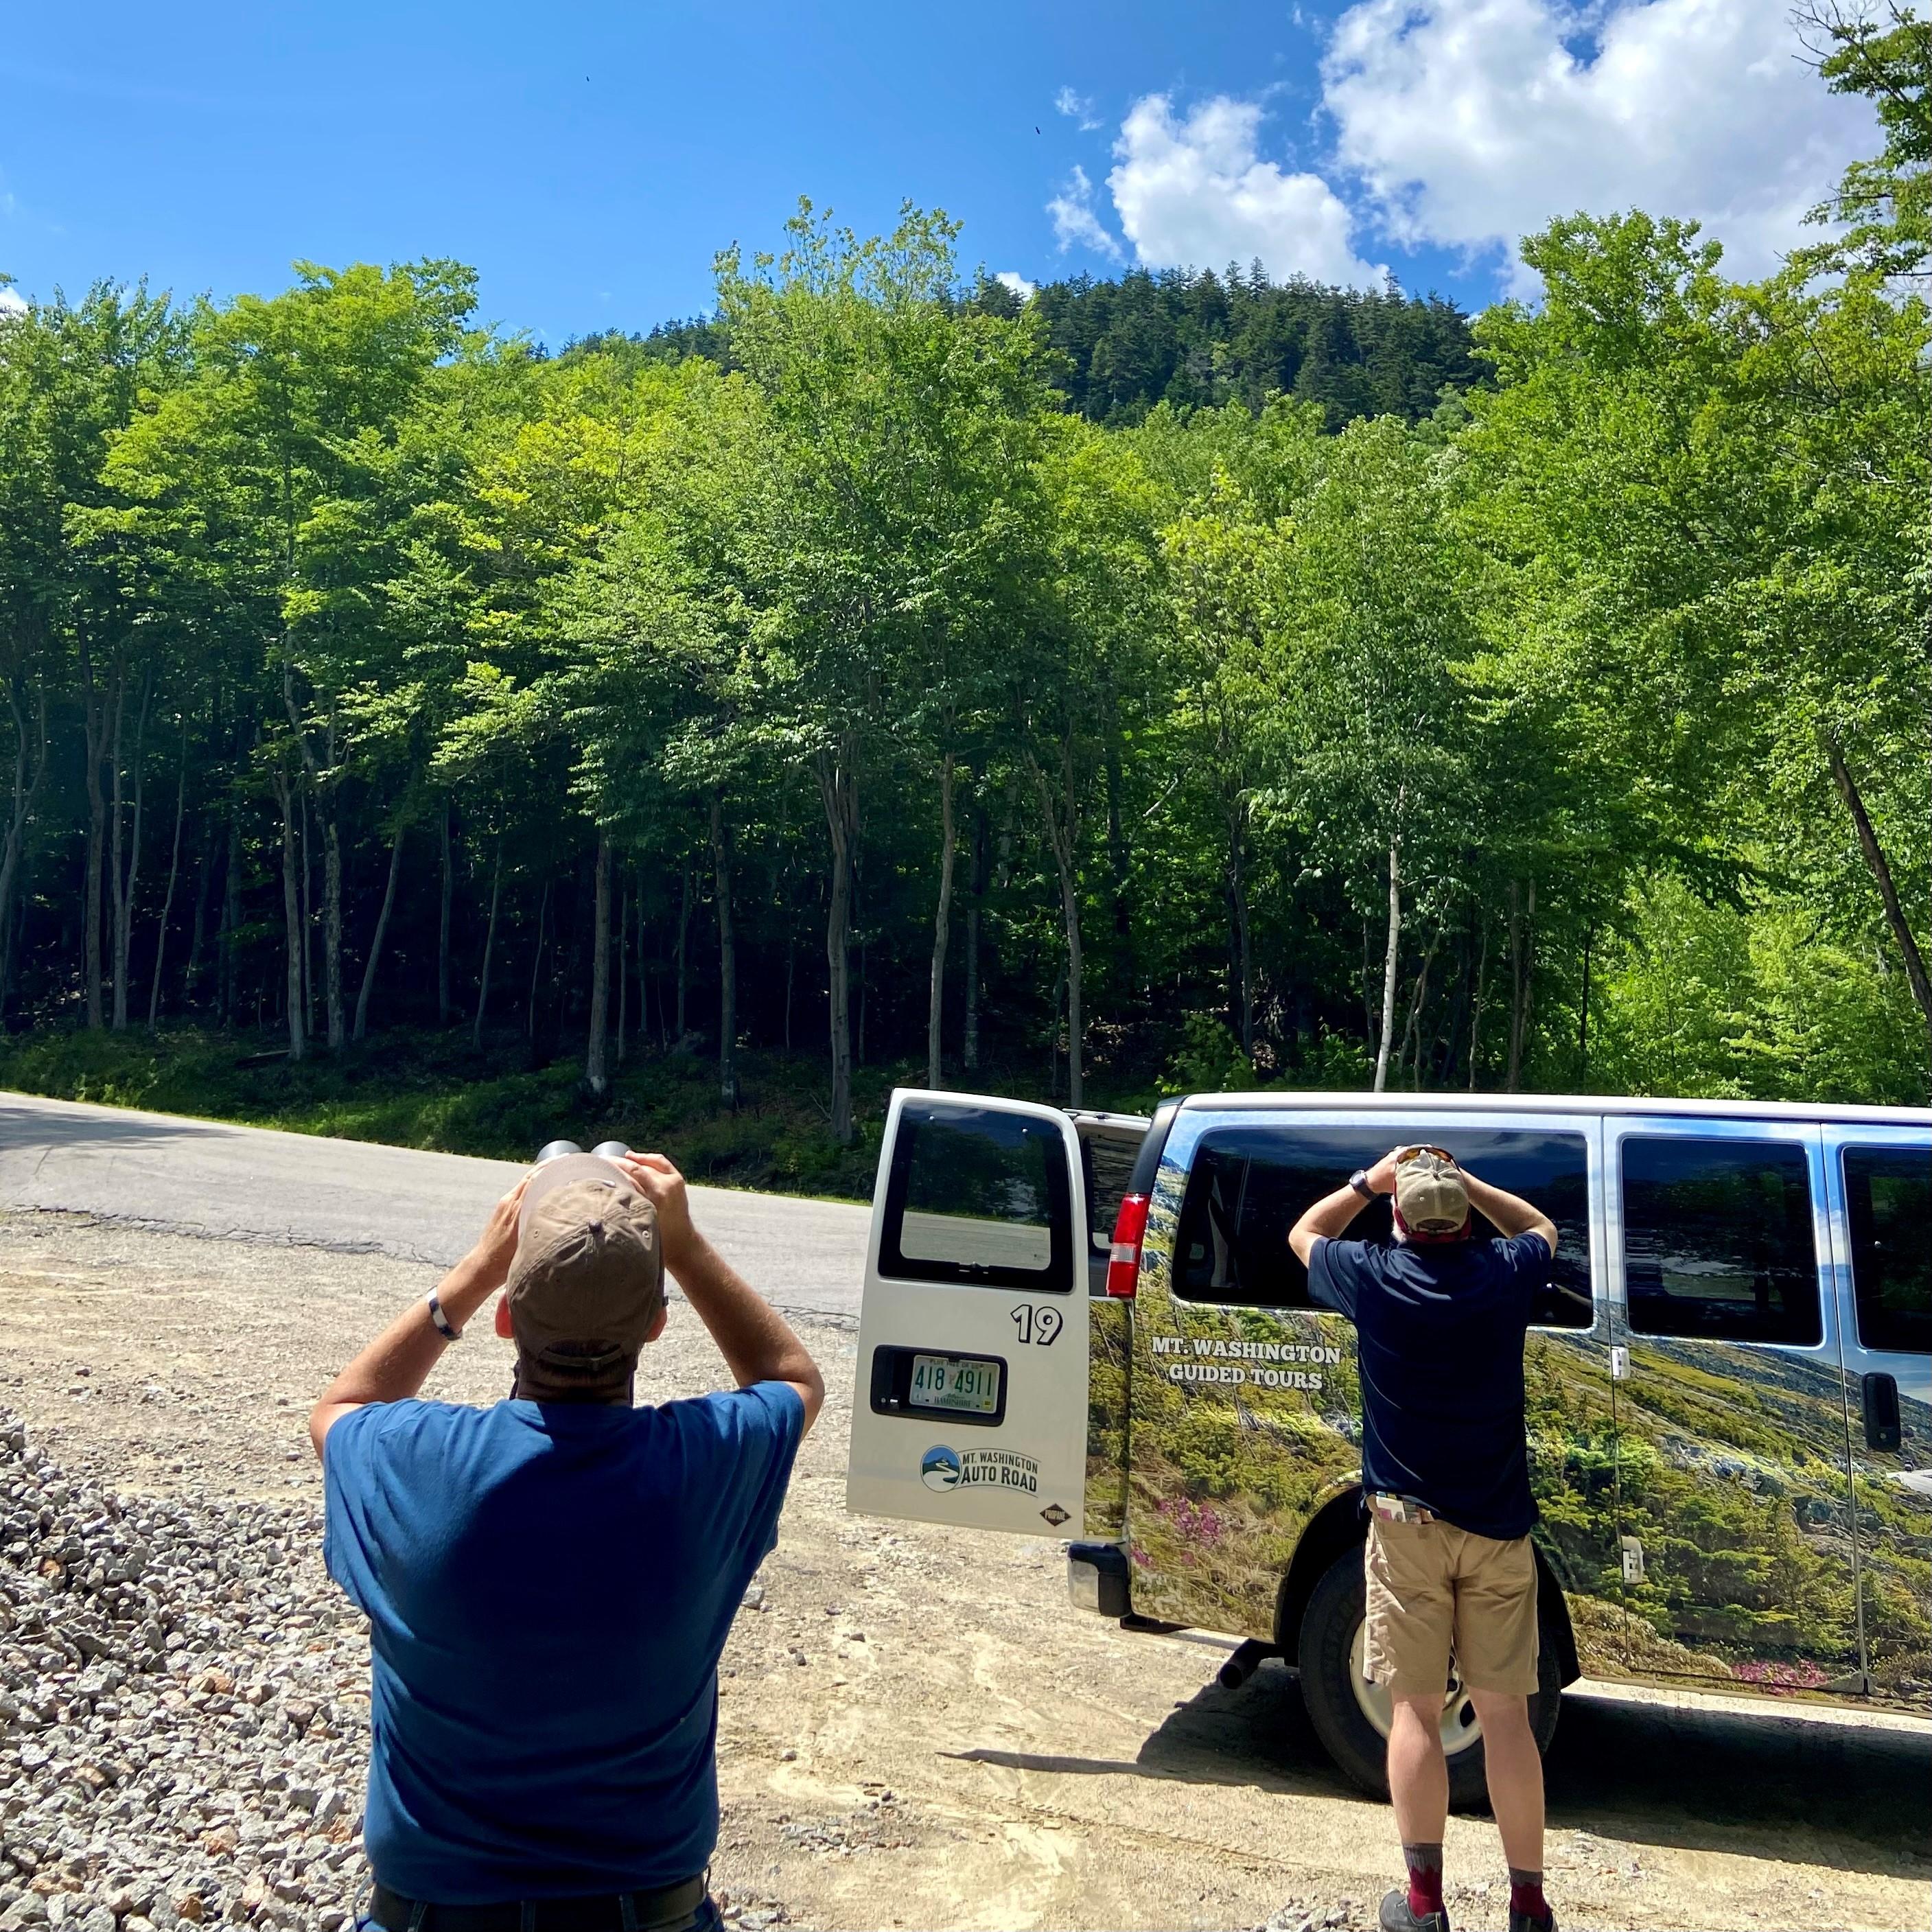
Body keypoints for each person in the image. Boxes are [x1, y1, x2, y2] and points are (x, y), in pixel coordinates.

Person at [310, 1148, 824, 1931]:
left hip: (434, 1914)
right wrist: (680, 1247)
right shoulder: (700, 1466)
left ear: (508, 1315)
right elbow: (791, 1380)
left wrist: (473, 1275)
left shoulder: (417, 1460)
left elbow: (341, 1405)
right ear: (655, 1325)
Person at [1288, 1145, 1560, 1932]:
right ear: (1466, 1219)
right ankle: (1529, 1906)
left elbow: (1304, 1232)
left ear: (1399, 1219)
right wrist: (1470, 1183)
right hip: (1499, 1532)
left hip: (1406, 1530)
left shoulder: (1371, 1276)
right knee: (1507, 1716)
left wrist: (1365, 1182)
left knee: (1412, 1711)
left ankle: (1422, 1905)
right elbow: (1542, 1225)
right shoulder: (1505, 1274)